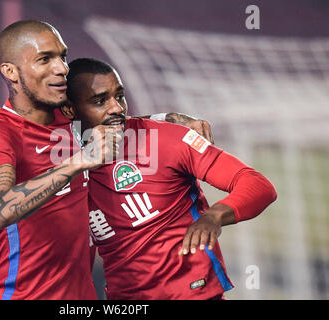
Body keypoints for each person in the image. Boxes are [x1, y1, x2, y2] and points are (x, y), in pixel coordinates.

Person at [0, 20, 211, 300]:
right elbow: (1, 209)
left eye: (62, 56)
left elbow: (119, 121)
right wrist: (79, 161)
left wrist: (168, 119)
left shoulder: (69, 119)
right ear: (10, 71)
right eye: (44, 59)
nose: (61, 68)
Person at [62, 57, 277, 300]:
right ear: (70, 110)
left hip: (194, 294)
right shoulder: (63, 162)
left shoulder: (165, 139)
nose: (117, 108)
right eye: (100, 101)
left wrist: (214, 216)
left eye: (120, 96)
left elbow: (257, 185)